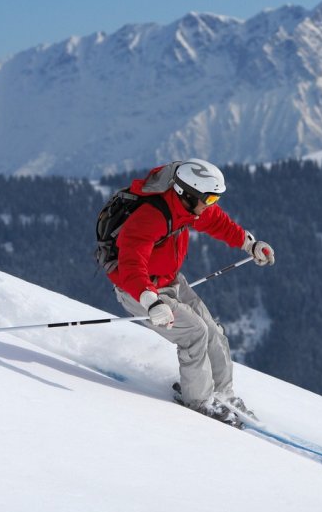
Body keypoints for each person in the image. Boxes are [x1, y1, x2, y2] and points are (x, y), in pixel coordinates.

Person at [108, 158, 275, 425]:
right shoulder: (151, 216)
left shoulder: (188, 208)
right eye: (208, 199)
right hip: (141, 290)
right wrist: (151, 300)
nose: (211, 205)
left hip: (171, 281)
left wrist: (249, 244)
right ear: (187, 193)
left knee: (212, 331)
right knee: (195, 333)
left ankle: (223, 394)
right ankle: (199, 402)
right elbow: (130, 264)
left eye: (215, 199)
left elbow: (218, 223)